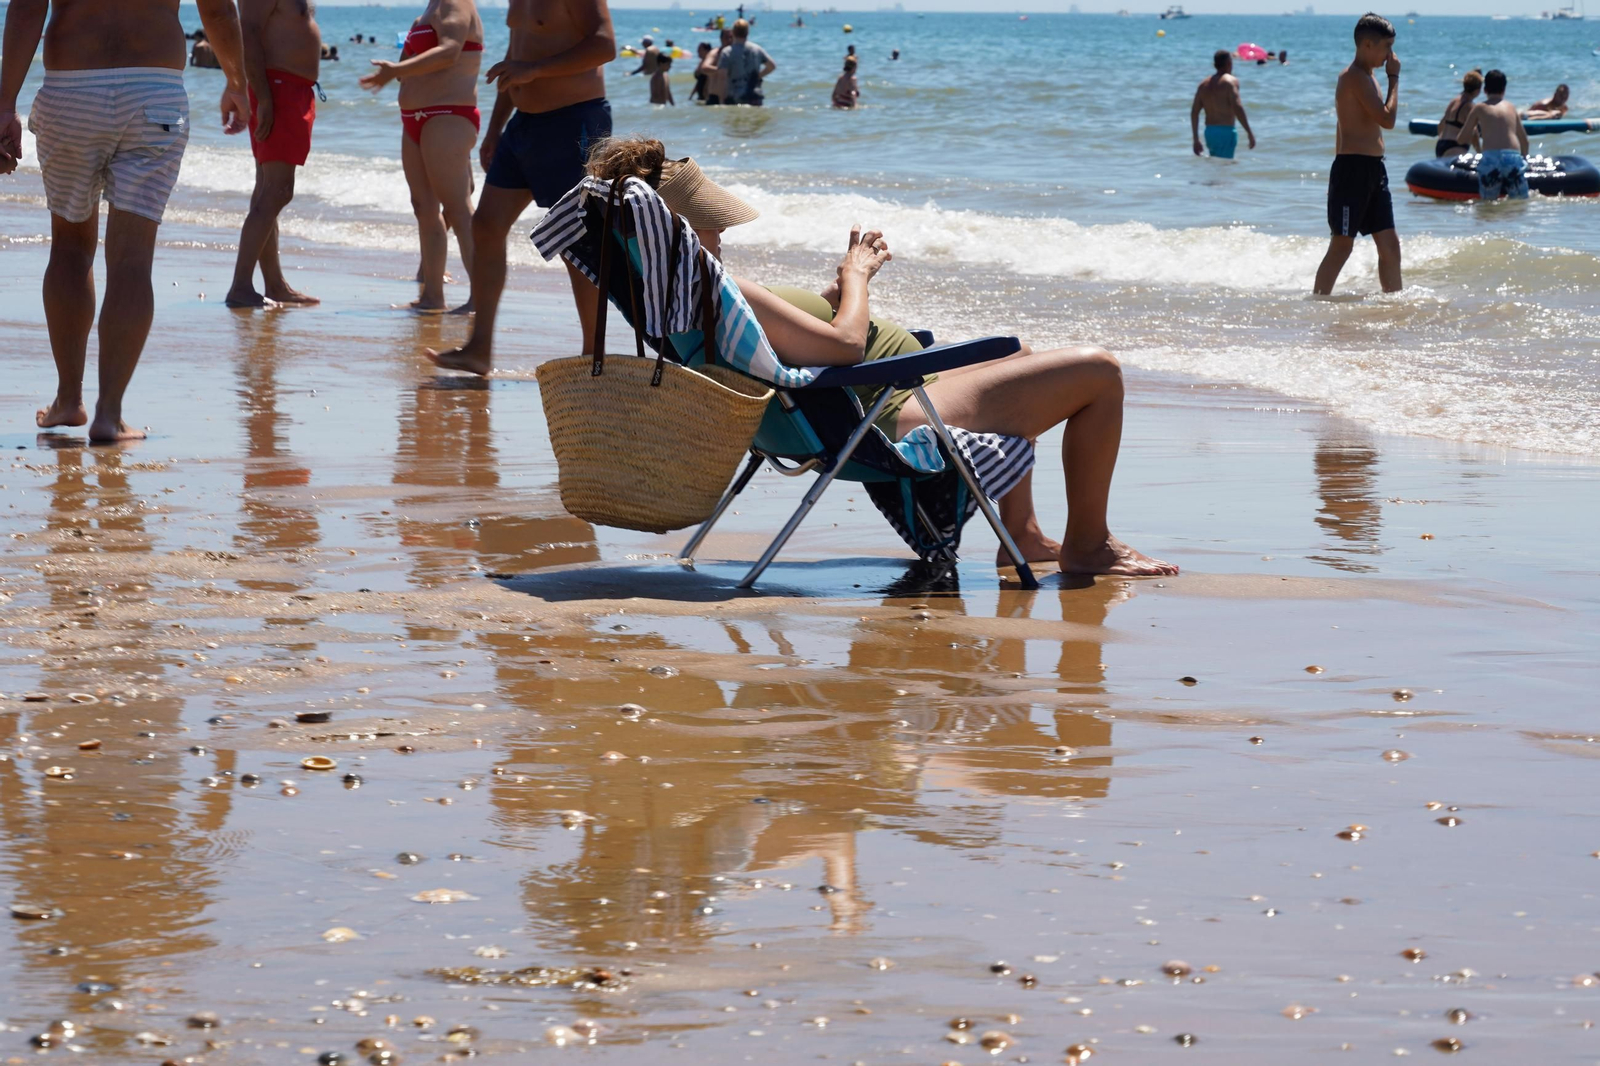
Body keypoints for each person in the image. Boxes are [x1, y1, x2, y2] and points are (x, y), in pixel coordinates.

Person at [583, 137, 1179, 577]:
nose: (720, 235)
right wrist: (857, 275)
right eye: (709, 227)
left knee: (1021, 353)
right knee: (1100, 371)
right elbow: (843, 346)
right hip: (887, 409)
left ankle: (1020, 535)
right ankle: (1089, 544)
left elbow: (799, 337)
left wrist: (836, 295)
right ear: (682, 231)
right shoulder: (722, 292)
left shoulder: (683, 299)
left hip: (845, 402)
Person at [0, 0, 249, 442]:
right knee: (133, 260)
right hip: (154, 92)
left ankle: (68, 400)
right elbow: (217, 9)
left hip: (72, 90)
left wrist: (4, 104)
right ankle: (109, 414)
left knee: (70, 248)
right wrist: (237, 82)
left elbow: (26, 9)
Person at [425, 0, 616, 376]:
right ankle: (479, 349)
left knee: (577, 240)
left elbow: (604, 45)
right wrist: (496, 127)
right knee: (486, 226)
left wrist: (535, 70)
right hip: (523, 125)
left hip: (573, 122)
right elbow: (516, 59)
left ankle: (595, 358)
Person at [360, 0, 485, 314]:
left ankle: (480, 298)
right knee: (423, 207)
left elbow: (450, 51)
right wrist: (400, 66)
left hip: (448, 114)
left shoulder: (456, 3)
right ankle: (432, 296)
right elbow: (412, 64)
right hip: (413, 117)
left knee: (457, 207)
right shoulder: (427, 12)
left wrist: (397, 70)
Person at [226, 0, 323, 309]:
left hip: (288, 90)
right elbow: (248, 31)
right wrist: (263, 97)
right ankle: (241, 286)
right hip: (278, 90)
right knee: (278, 191)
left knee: (268, 190)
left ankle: (274, 284)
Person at [1313, 13, 1401, 296]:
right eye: (1387, 47)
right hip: (1352, 171)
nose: (1391, 55)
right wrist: (1395, 79)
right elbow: (1387, 119)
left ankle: (1394, 303)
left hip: (1374, 170)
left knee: (1390, 246)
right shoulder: (1354, 78)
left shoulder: (1368, 77)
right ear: (1367, 45)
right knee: (1342, 246)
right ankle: (1317, 303)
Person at [1457, 69, 1529, 201]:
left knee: (1488, 204)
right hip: (1512, 157)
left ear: (1485, 90)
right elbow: (1524, 141)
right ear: (1504, 89)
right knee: (1520, 202)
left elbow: (1462, 138)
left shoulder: (1479, 108)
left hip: (1491, 158)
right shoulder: (1511, 107)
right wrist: (1524, 159)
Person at [1190, 49, 1255, 159]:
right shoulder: (1230, 82)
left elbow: (1194, 112)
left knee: (1215, 166)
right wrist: (1249, 132)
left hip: (1209, 132)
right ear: (1229, 63)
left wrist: (1196, 139)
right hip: (1226, 132)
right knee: (1225, 167)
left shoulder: (1203, 85)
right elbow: (1237, 107)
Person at [715, 19, 774, 107]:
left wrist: (721, 99)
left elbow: (722, 78)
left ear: (733, 32)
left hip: (735, 95)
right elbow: (771, 66)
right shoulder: (757, 49)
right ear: (747, 32)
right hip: (755, 95)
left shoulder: (727, 52)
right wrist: (759, 76)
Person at [1435, 68, 1481, 158]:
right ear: (1477, 90)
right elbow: (1474, 133)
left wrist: (1443, 141)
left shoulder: (1453, 102)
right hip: (1455, 147)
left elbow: (1440, 125)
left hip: (1441, 144)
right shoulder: (1470, 106)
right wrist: (1480, 153)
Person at [701, 28, 734, 105]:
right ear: (721, 39)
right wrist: (721, 70)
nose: (729, 40)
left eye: (731, 37)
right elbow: (704, 67)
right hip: (714, 96)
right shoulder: (715, 53)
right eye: (726, 37)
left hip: (730, 97)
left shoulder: (735, 54)